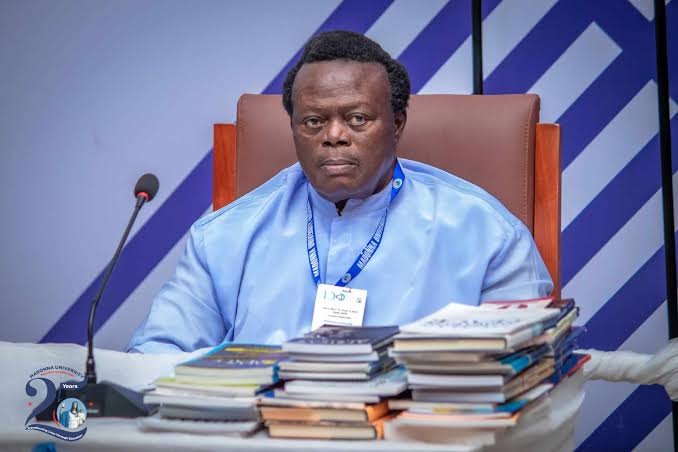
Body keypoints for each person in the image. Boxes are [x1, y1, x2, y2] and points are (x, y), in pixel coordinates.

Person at [127, 31, 552, 353]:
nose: (334, 136)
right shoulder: (224, 236)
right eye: (313, 121)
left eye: (357, 119)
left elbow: (528, 371)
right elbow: (156, 356)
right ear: (294, 129)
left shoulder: (487, 234)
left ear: (397, 124)